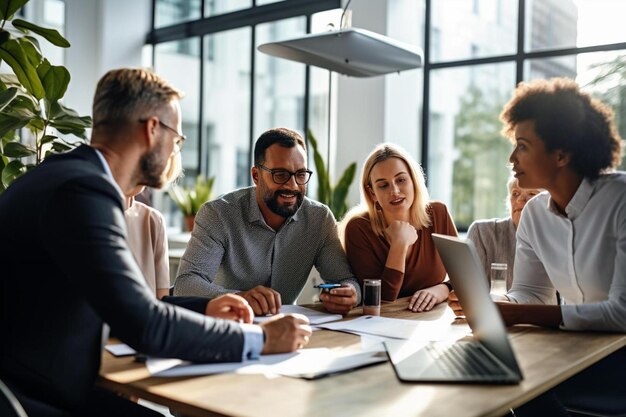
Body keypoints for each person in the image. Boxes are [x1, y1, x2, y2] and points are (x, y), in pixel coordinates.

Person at [0, 68, 311, 417]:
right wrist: (263, 340)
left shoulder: (58, 176)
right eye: (177, 139)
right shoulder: (83, 192)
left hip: (34, 385)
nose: (175, 150)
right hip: (28, 400)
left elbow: (122, 306)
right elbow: (145, 326)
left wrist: (206, 309)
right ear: (151, 130)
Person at [450, 77, 626, 416]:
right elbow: (529, 293)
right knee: (484, 379)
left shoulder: (620, 200)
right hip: (574, 354)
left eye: (523, 146)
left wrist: (516, 313)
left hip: (618, 363)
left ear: (560, 154)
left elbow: (621, 313)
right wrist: (488, 303)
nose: (512, 158)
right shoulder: (533, 214)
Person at [174, 127, 360, 316]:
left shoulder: (319, 219)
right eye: (280, 174)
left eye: (301, 175)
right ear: (256, 176)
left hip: (288, 330)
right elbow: (186, 284)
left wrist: (350, 294)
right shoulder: (218, 214)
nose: (293, 185)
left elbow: (346, 280)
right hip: (228, 328)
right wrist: (241, 298)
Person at [341, 143, 458, 313]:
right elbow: (381, 299)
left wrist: (442, 289)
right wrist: (399, 245)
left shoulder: (438, 213)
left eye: (401, 180)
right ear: (372, 192)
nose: (394, 191)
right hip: (382, 323)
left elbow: (465, 277)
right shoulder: (358, 228)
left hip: (431, 320)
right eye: (383, 185)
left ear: (414, 180)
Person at [466, 174, 541, 291]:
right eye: (515, 193)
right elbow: (471, 292)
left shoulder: (558, 236)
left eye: (531, 194)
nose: (520, 199)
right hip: (496, 309)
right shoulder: (481, 232)